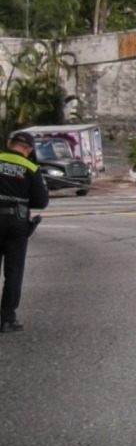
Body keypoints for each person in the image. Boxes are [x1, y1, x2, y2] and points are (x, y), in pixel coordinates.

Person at [0, 131, 50, 333]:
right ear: (29, 150)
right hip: (16, 223)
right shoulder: (31, 167)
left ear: (9, 144)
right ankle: (6, 319)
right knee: (13, 271)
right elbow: (41, 201)